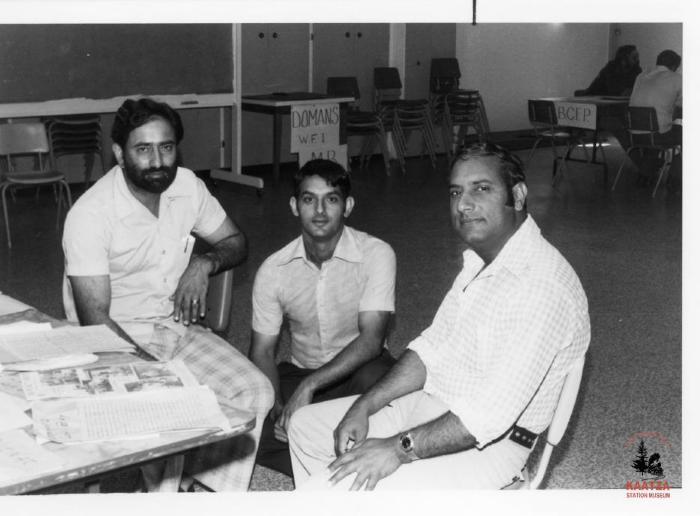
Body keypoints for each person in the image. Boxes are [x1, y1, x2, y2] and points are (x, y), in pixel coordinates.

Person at [287, 143, 590, 490]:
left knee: (336, 487)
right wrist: (365, 404)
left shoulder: (543, 286)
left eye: (482, 188)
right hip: (432, 404)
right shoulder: (481, 262)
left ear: (518, 196)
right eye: (456, 192)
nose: (463, 204)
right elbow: (430, 349)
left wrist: (397, 448)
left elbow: (486, 418)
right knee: (305, 427)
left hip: (486, 446)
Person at [62, 97, 274, 492]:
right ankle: (162, 488)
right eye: (143, 149)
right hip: (112, 341)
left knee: (255, 392)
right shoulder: (90, 214)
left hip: (176, 328)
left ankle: (198, 489)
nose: (158, 161)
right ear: (119, 155)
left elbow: (236, 242)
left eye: (167, 147)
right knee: (169, 401)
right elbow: (95, 322)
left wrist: (203, 263)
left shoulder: (187, 187)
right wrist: (157, 372)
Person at [250, 159, 396, 478]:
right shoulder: (273, 271)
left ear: (347, 206)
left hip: (360, 369)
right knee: (246, 428)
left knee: (389, 395)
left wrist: (309, 386)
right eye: (308, 199)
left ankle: (324, 455)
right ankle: (338, 468)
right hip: (302, 369)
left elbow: (371, 341)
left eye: (330, 199)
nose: (319, 210)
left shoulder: (376, 254)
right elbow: (261, 351)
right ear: (294, 205)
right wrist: (278, 410)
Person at [629, 50, 682, 189]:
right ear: (675, 66)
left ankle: (646, 172)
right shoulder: (676, 78)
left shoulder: (640, 76)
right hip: (658, 135)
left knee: (659, 128)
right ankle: (676, 180)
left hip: (635, 135)